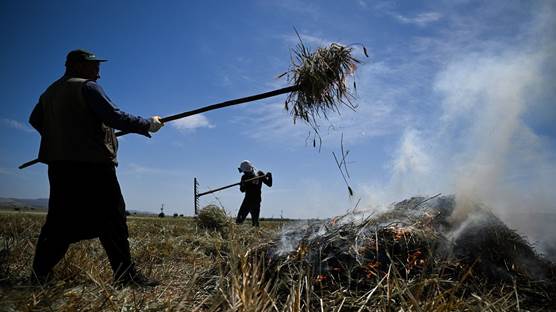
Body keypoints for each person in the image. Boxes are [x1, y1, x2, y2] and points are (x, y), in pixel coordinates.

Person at [29, 49, 163, 287]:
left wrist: (62, 137)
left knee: (59, 220)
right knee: (113, 218)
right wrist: (148, 125)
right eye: (94, 66)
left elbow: (35, 120)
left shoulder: (49, 93)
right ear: (78, 66)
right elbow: (113, 116)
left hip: (60, 166)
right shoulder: (87, 87)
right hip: (93, 166)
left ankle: (39, 274)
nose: (98, 72)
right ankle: (126, 276)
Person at [235, 160, 272, 227]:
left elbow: (242, 190)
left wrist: (269, 175)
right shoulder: (258, 174)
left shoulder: (248, 176)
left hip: (248, 201)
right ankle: (257, 234)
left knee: (239, 221)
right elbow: (269, 184)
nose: (244, 172)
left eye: (244, 171)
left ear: (246, 170)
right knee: (255, 224)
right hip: (256, 201)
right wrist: (242, 184)